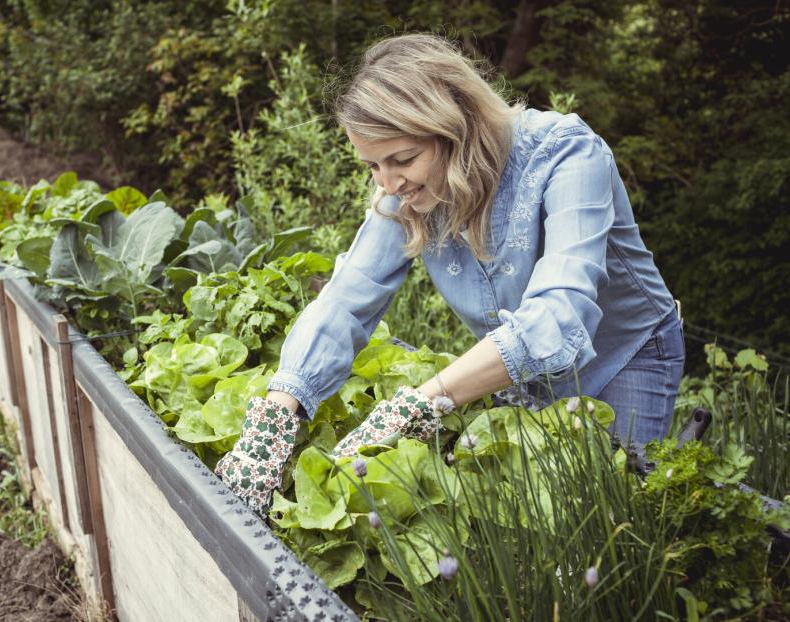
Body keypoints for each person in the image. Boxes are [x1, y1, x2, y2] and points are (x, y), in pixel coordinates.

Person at [215, 33, 685, 516]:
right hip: (521, 367)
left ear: (457, 129)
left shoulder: (566, 155)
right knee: (530, 517)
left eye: (402, 160)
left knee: (608, 518)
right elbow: (346, 299)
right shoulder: (403, 192)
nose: (390, 184)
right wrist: (276, 412)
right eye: (373, 166)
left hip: (625, 355)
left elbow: (559, 312)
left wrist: (424, 400)